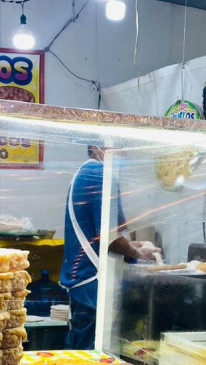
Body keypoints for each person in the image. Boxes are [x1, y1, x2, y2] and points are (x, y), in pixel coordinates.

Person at [60, 145, 159, 350]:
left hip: (82, 284)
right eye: (118, 146)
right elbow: (110, 237)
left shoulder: (85, 172)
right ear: (96, 146)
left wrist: (130, 245)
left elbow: (99, 234)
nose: (124, 152)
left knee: (80, 351)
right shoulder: (100, 174)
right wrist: (137, 252)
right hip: (93, 285)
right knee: (91, 356)